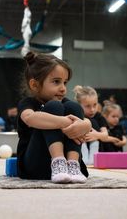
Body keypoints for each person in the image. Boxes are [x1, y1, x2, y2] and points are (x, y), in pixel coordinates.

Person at [17, 51, 91, 183]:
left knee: (75, 107)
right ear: (34, 84)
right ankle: (58, 162)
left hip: (68, 168)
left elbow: (84, 121)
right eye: (56, 82)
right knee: (53, 107)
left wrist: (86, 125)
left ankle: (73, 164)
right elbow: (30, 118)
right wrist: (65, 122)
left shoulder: (66, 104)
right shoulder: (28, 103)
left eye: (65, 82)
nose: (63, 88)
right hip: (36, 165)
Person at [73, 85, 108, 165]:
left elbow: (105, 136)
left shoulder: (99, 116)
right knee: (85, 121)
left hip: (98, 150)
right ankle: (83, 152)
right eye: (88, 106)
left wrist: (96, 135)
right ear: (79, 105)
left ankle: (93, 151)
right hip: (81, 143)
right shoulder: (76, 115)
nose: (92, 109)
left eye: (95, 105)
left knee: (92, 122)